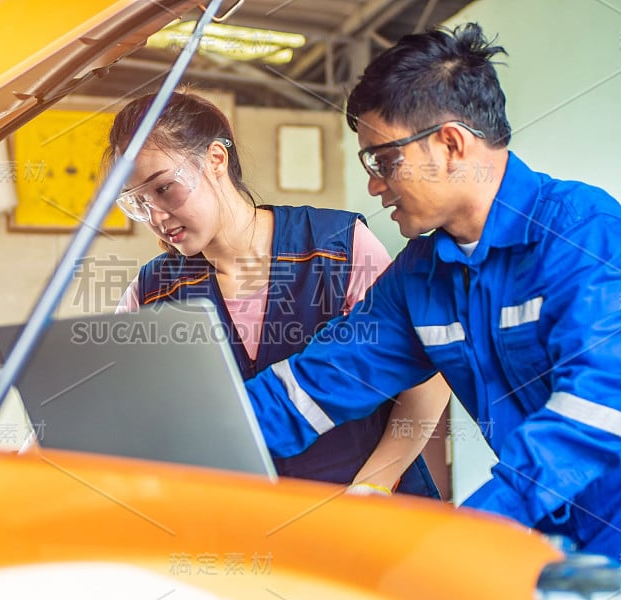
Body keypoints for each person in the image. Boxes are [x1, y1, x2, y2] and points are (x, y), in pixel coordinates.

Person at [243, 22, 621, 556]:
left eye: (383, 159)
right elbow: (317, 383)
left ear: (450, 143)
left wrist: (466, 530)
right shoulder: (420, 277)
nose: (375, 184)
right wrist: (186, 441)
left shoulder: (585, 235)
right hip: (553, 540)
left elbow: (598, 413)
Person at [108, 90, 450, 497]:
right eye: (137, 204)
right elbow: (110, 409)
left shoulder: (337, 248)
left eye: (164, 189)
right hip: (244, 529)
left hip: (372, 517)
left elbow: (427, 380)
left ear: (216, 160)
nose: (157, 218)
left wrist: (372, 486)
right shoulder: (150, 293)